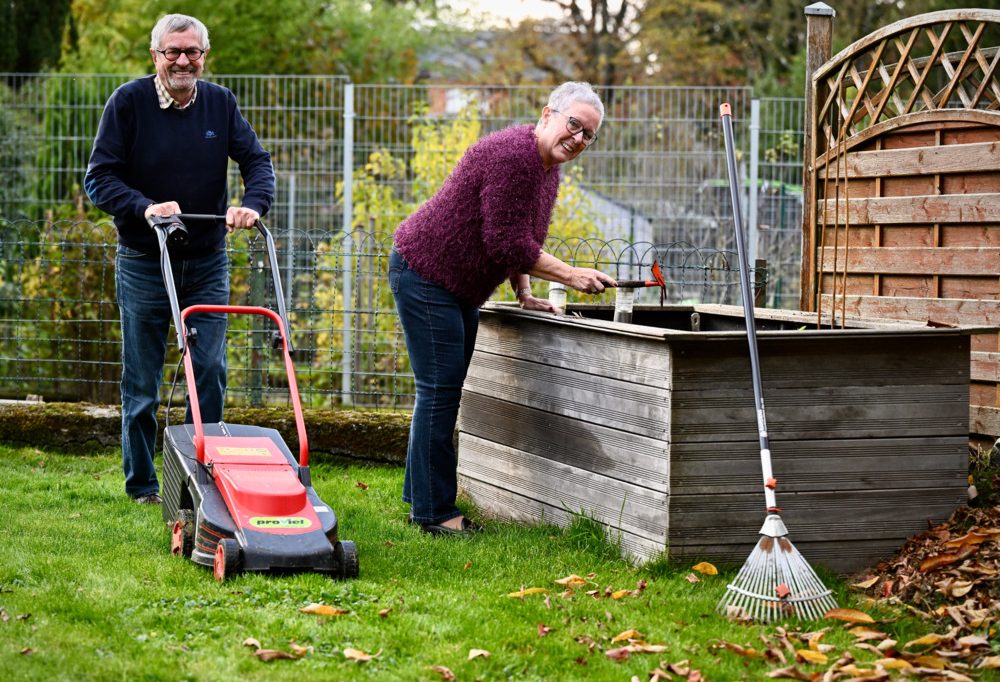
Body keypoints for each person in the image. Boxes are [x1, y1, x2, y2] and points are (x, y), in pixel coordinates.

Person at [390, 81, 616, 536]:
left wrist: (523, 290)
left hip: (459, 288)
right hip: (425, 274)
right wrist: (571, 275)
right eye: (574, 124)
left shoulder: (547, 170)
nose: (577, 138)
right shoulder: (515, 156)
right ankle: (435, 515)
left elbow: (520, 241)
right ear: (548, 114)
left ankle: (421, 497)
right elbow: (506, 240)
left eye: (588, 135)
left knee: (438, 392)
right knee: (440, 391)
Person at [84, 14, 275, 504]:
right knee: (142, 379)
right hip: (145, 258)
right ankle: (144, 484)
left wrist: (252, 206)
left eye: (192, 51)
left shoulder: (220, 103)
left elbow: (257, 161)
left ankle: (200, 476)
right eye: (173, 51)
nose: (183, 60)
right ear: (156, 56)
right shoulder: (128, 103)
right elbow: (99, 179)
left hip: (207, 258)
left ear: (204, 55)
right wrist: (144, 207)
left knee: (208, 368)